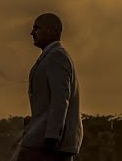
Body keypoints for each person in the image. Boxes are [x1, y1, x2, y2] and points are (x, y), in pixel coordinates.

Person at [14, 13, 83, 161]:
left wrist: (52, 136)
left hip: (48, 142)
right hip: (43, 138)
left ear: (51, 30)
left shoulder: (57, 56)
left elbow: (60, 99)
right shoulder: (50, 56)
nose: (32, 33)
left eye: (36, 28)